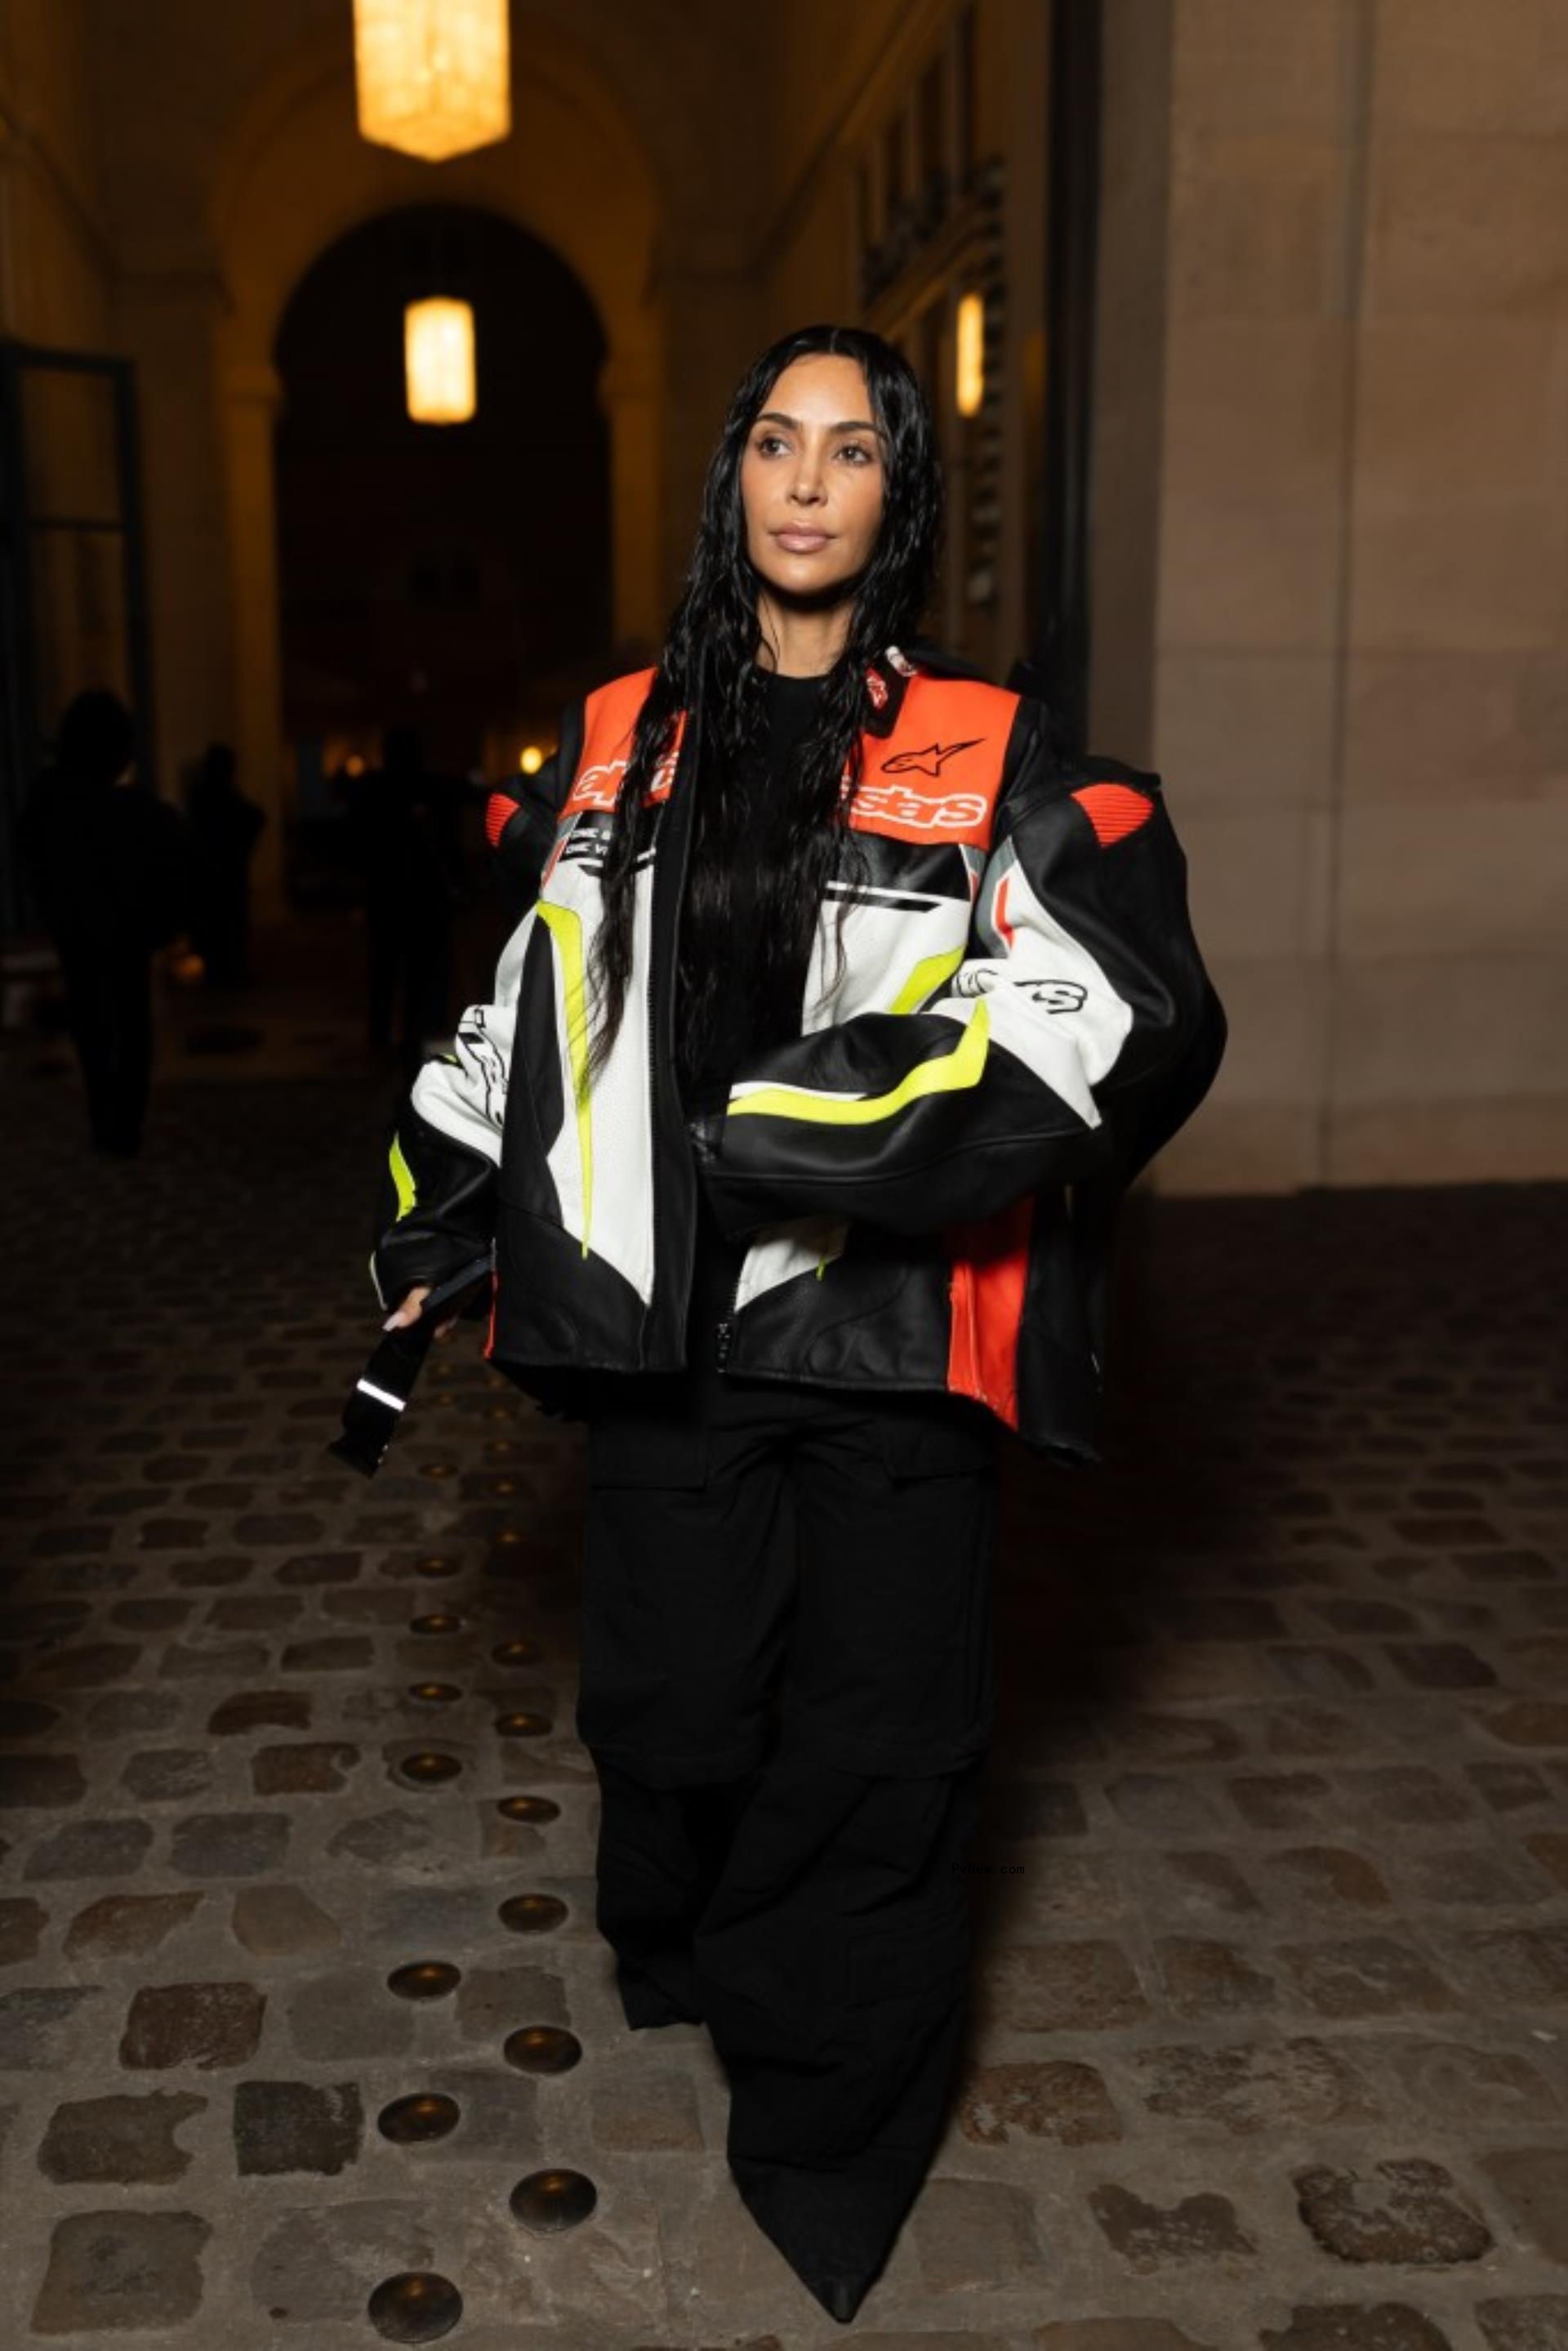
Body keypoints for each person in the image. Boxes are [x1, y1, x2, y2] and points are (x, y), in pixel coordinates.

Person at [365, 323, 1227, 2320]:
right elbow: (515, 1009)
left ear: (895, 494)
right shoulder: (609, 737)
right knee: (670, 1708)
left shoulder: (1000, 745)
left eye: (854, 448)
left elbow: (1125, 1003)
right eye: (776, 441)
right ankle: (691, 1934)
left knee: (884, 1736)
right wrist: (436, 1217)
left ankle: (834, 2116)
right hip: (659, 1338)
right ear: (731, 480)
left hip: (895, 1341)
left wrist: (797, 1127)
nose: (811, 479)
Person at [20, 687, 189, 1158]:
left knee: (94, 1026)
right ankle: (123, 1128)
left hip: (81, 930)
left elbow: (33, 856)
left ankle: (107, 1125)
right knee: (128, 1025)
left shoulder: (51, 802)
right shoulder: (131, 811)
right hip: (123, 932)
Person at [341, 725, 466, 1071]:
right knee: (413, 973)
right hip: (415, 896)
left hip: (392, 894)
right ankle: (408, 1038)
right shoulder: (425, 789)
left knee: (388, 969)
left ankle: (385, 1038)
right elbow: (449, 843)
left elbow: (355, 842)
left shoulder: (375, 789)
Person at [185, 740, 265, 990]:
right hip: (223, 874)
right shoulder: (215, 798)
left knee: (218, 926)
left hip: (213, 874)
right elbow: (253, 817)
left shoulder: (203, 798)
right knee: (225, 925)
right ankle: (224, 971)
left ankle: (221, 970)